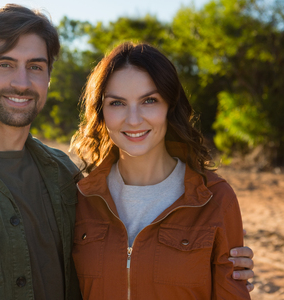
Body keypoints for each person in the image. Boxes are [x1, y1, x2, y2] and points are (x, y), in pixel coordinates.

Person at [0, 4, 254, 300]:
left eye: (35, 66)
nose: (20, 81)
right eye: (5, 63)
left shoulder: (68, 179)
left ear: (48, 77)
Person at [70, 42, 252, 299]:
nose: (133, 119)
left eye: (149, 100)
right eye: (117, 103)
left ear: (170, 106)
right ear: (101, 113)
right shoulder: (80, 198)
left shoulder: (215, 198)